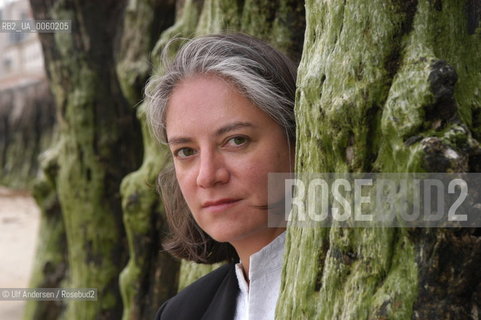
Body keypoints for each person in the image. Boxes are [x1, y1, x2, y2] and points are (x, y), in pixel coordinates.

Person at [145, 33, 297, 320]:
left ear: (297, 141)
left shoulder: (370, 283)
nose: (207, 176)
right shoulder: (180, 315)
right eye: (186, 151)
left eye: (236, 140)